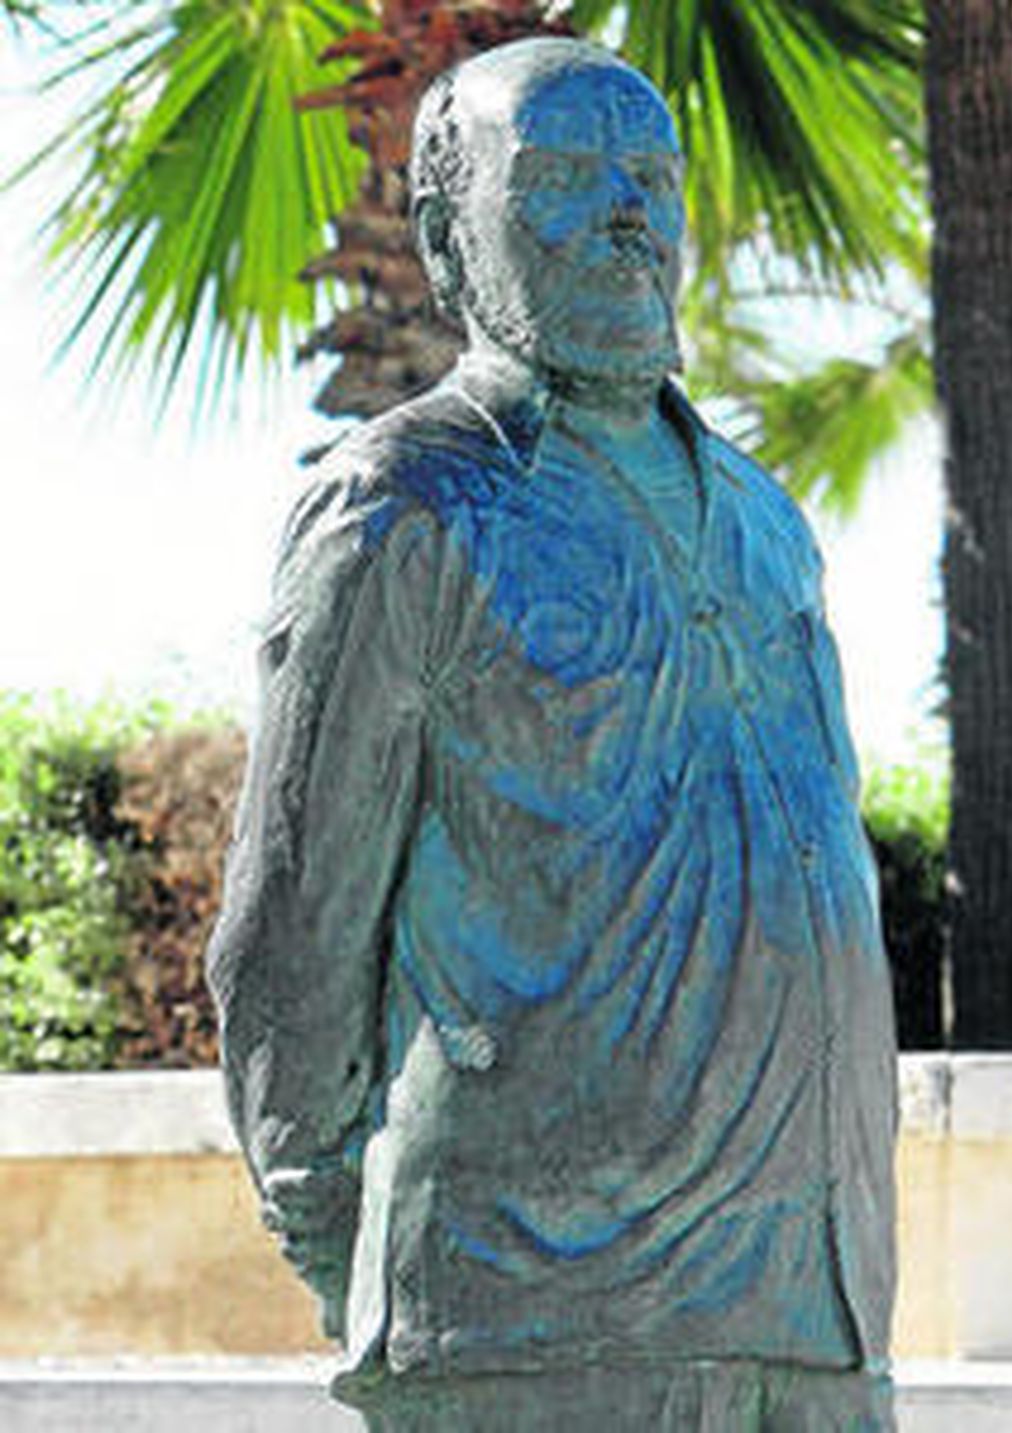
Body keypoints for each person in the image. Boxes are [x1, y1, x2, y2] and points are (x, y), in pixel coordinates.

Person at [206, 36, 898, 1433]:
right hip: (528, 1318)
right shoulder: (401, 506)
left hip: (811, 1315)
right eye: (568, 177)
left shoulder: (768, 524)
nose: (630, 210)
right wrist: (360, 1252)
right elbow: (292, 930)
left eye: (652, 174)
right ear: (451, 238)